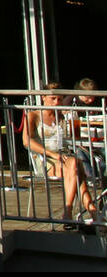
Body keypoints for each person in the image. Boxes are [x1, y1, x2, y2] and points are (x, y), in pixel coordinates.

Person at [23, 84, 99, 228]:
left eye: (59, 99)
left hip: (65, 159)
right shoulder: (33, 115)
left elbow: (68, 141)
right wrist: (52, 154)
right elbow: (27, 141)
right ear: (43, 97)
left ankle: (73, 213)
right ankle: (85, 212)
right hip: (44, 160)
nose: (57, 102)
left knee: (75, 167)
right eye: (53, 98)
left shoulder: (61, 115)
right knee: (76, 167)